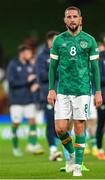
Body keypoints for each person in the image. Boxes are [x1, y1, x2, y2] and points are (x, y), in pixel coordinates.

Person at [47, 6, 102, 176]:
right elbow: (52, 67)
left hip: (83, 90)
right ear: (65, 20)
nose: (72, 19)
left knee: (79, 126)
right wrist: (51, 89)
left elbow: (95, 68)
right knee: (61, 129)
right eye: (69, 17)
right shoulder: (58, 41)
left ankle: (77, 165)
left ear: (80, 19)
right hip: (63, 90)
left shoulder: (89, 40)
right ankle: (71, 154)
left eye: (74, 16)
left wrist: (98, 91)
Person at [7, 45, 43, 157]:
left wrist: (36, 84)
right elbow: (11, 82)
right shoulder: (13, 64)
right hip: (16, 100)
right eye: (28, 53)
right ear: (22, 53)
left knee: (32, 121)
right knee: (16, 123)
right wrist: (26, 81)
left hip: (29, 99)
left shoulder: (30, 65)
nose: (30, 55)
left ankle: (32, 144)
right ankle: (15, 147)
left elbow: (36, 78)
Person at [36, 31, 62, 161]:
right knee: (51, 122)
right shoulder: (41, 57)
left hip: (63, 94)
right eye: (55, 40)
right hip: (49, 94)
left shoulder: (63, 54)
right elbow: (41, 76)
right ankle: (53, 149)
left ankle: (56, 148)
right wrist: (56, 73)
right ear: (49, 41)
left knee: (62, 123)